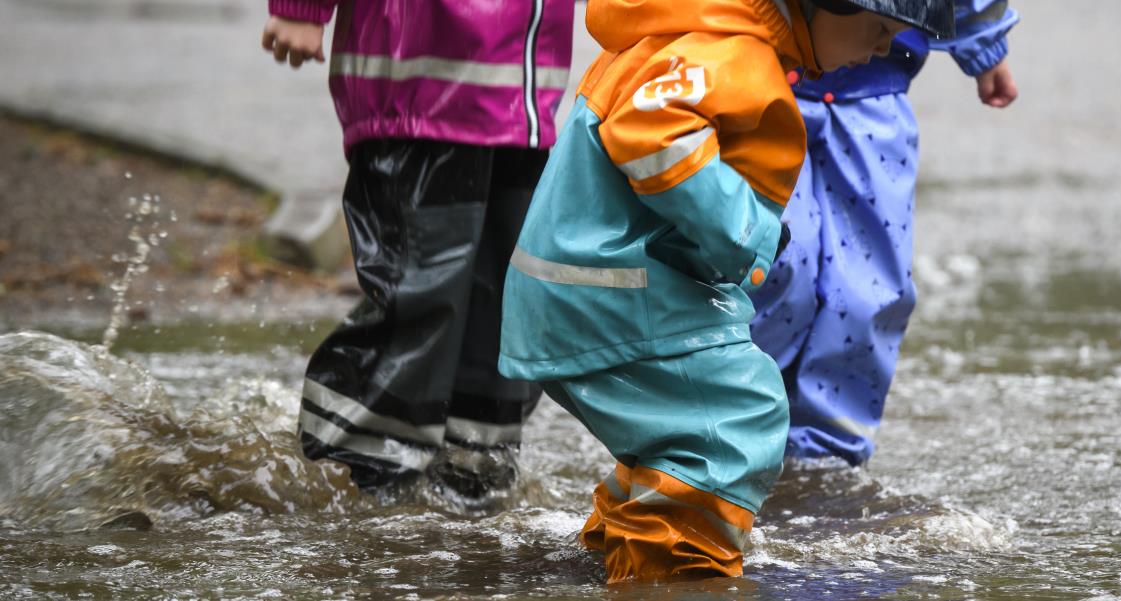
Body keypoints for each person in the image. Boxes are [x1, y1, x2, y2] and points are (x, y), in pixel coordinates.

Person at [496, 0, 957, 582]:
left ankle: (623, 542)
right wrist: (749, 233)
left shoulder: (719, 35)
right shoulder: (733, 50)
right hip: (610, 291)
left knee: (686, 431)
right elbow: (648, 128)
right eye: (881, 29)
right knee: (741, 413)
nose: (884, 50)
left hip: (605, 286)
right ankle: (674, 575)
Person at [258, 0, 575, 500]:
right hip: (419, 80)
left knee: (504, 309)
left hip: (523, 93)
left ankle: (470, 485)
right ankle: (353, 486)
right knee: (419, 300)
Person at [750, 0, 1019, 467]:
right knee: (771, 266)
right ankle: (741, 424)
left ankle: (826, 460)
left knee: (868, 289)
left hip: (874, 92)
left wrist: (983, 41)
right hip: (759, 80)